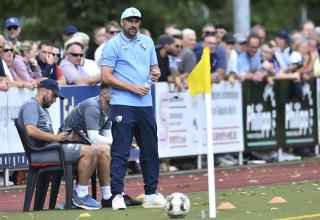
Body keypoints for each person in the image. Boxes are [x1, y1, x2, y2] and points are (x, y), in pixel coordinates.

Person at [101, 7, 165, 210]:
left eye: (136, 21)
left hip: (145, 104)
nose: (133, 24)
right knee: (120, 151)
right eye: (129, 21)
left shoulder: (147, 42)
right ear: (122, 23)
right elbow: (106, 76)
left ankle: (151, 194)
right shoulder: (113, 45)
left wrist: (155, 73)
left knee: (150, 150)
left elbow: (154, 69)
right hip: (122, 103)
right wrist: (132, 88)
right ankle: (117, 195)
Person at [17, 79, 104, 209]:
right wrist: (56, 137)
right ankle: (80, 196)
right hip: (42, 152)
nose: (55, 100)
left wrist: (67, 138)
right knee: (93, 150)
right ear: (44, 91)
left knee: (94, 148)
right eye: (54, 96)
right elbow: (31, 130)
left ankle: (80, 195)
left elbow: (47, 136)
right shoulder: (31, 105)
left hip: (50, 149)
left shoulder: (41, 108)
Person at [60, 83, 142, 207]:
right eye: (116, 93)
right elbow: (94, 138)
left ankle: (108, 196)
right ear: (105, 93)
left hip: (82, 144)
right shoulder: (93, 106)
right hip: (66, 143)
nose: (119, 96)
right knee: (103, 148)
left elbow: (108, 137)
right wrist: (121, 141)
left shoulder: (109, 109)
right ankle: (80, 193)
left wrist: (124, 141)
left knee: (106, 149)